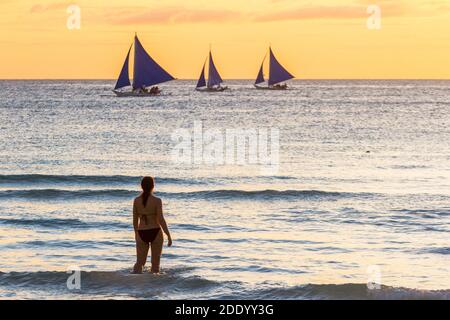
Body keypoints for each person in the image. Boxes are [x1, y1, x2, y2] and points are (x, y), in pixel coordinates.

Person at [132, 176, 172, 274]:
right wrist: (168, 235)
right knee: (155, 265)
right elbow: (161, 219)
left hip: (141, 232)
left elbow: (134, 220)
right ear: (153, 186)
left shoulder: (136, 200)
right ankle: (153, 287)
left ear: (141, 186)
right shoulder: (157, 200)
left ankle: (133, 283)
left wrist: (136, 234)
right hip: (155, 231)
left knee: (140, 263)